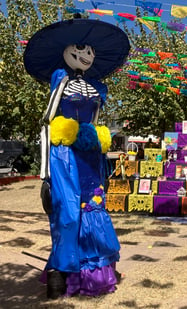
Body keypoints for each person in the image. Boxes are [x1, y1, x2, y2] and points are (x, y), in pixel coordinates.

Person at [23, 16, 130, 298]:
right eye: (79, 49)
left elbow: (94, 121)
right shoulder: (60, 81)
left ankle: (96, 270)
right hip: (64, 155)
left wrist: (101, 158)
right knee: (68, 213)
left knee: (93, 206)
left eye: (89, 51)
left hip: (89, 155)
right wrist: (45, 174)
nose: (84, 55)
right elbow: (48, 122)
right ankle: (62, 272)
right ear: (65, 50)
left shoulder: (98, 88)